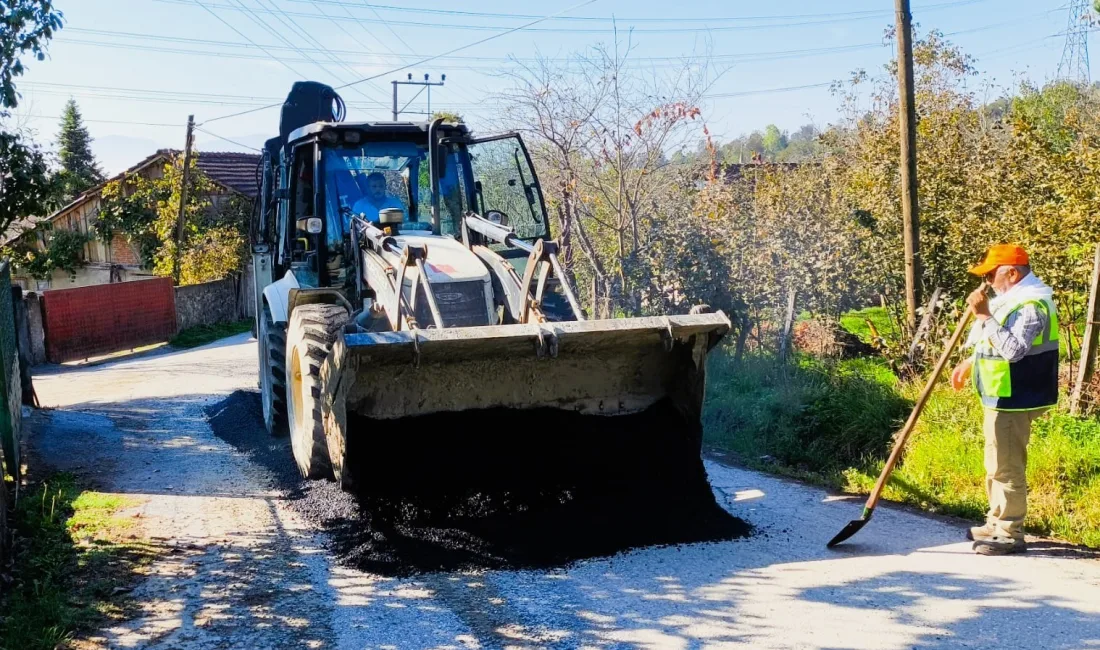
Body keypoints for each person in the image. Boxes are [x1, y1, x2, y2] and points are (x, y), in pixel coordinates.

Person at [950, 244, 1059, 556]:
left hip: (1017, 396)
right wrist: (970, 362)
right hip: (1000, 393)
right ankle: (995, 521)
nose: (986, 281)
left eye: (990, 274)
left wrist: (984, 315)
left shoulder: (1031, 304)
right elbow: (993, 340)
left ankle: (1010, 533)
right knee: (994, 463)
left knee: (1007, 466)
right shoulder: (1010, 300)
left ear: (1012, 273)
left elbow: (1012, 350)